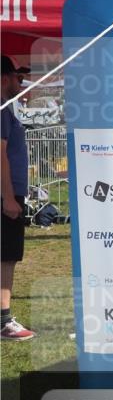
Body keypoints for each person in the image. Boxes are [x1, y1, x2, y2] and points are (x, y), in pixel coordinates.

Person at [1, 56, 34, 340]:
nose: (21, 83)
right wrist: (9, 197)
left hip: (9, 192)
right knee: (6, 257)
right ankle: (4, 320)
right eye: (18, 78)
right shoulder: (1, 110)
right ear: (4, 79)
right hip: (7, 194)